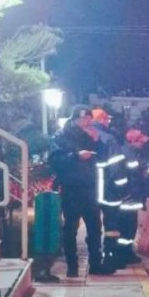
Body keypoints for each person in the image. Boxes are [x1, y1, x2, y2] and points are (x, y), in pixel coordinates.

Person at [47, 105, 114, 277]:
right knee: (70, 228)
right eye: (84, 119)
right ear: (75, 119)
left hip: (90, 187)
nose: (87, 122)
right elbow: (55, 160)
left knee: (95, 227)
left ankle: (96, 264)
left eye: (89, 119)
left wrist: (97, 142)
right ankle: (72, 266)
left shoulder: (91, 135)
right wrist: (76, 156)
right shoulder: (61, 137)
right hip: (71, 188)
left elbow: (103, 158)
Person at [90, 107, 125, 270]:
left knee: (92, 225)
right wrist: (121, 187)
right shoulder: (110, 139)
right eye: (107, 120)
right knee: (111, 225)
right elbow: (116, 167)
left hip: (89, 191)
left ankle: (94, 260)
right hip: (109, 190)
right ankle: (110, 258)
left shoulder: (83, 137)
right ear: (103, 120)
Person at [117, 128, 149, 266]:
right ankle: (122, 255)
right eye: (140, 142)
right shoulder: (126, 154)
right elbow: (128, 178)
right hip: (127, 198)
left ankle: (127, 253)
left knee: (130, 227)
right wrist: (128, 194)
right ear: (132, 141)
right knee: (126, 228)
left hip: (131, 197)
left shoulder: (132, 153)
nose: (142, 144)